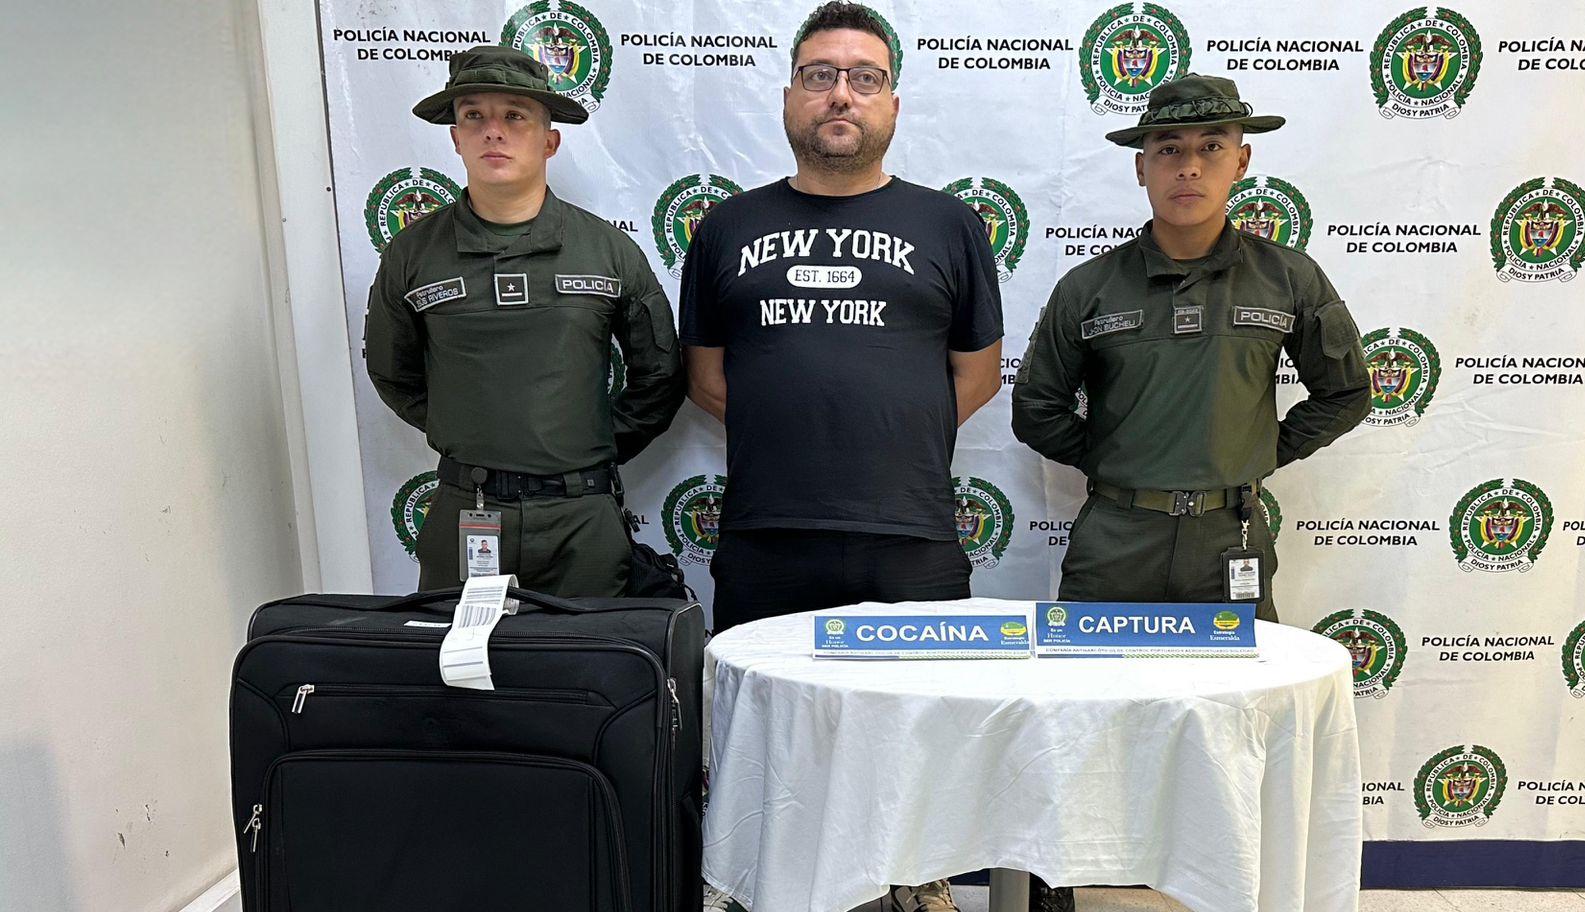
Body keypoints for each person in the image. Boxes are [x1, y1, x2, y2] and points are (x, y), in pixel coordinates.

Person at [1012, 73, 1371, 911]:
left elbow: (1345, 392)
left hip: (1228, 545)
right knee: (1083, 721)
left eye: (1210, 149)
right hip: (1115, 542)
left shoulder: (1286, 278)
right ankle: (1061, 889)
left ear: (1241, 162)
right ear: (1140, 168)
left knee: (1234, 725)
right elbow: (1036, 409)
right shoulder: (1089, 288)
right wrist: (1116, 463)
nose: (1188, 167)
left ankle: (1234, 886)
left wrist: (1257, 454)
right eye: (1167, 150)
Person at [683, 4, 1003, 910]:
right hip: (767, 529)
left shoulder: (947, 225)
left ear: (892, 103)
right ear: (789, 95)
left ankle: (914, 876)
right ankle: (758, 882)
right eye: (820, 74)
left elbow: (975, 372)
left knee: (915, 732)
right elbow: (707, 377)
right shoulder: (727, 229)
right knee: (763, 731)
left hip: (907, 529)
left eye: (863, 78)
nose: (840, 94)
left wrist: (882, 434)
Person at [366, 46, 685, 596]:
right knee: (456, 677)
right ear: (455, 138)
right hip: (468, 511)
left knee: (590, 675)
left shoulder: (608, 251)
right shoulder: (412, 254)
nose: (494, 131)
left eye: (515, 115)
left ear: (549, 140)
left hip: (582, 521)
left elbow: (659, 376)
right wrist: (474, 432)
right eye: (474, 116)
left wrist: (586, 446)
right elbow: (394, 375)